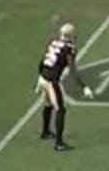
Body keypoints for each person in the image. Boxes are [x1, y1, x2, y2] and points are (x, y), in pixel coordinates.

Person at [34, 23, 94, 152]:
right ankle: (59, 143)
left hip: (44, 76)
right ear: (70, 35)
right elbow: (72, 71)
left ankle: (45, 131)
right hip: (52, 81)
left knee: (48, 103)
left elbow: (43, 60)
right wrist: (84, 87)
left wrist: (39, 77)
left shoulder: (54, 42)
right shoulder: (69, 49)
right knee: (61, 109)